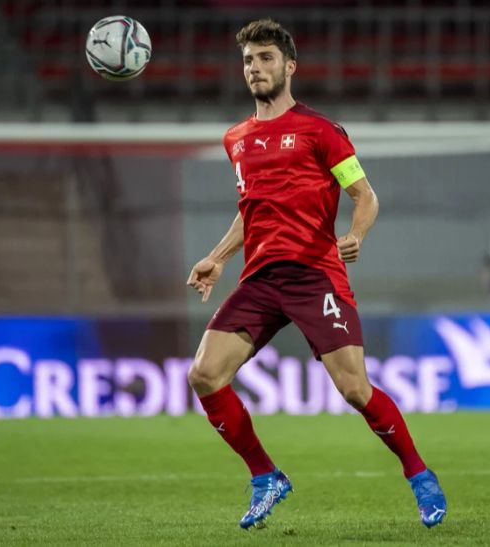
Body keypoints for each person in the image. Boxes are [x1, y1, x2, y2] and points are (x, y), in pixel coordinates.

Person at [185, 19, 446, 530]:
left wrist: (358, 235)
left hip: (315, 275)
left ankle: (419, 474)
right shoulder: (236, 139)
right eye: (247, 61)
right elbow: (251, 208)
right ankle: (266, 476)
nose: (255, 68)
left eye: (264, 58)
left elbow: (364, 195)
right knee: (204, 375)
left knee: (354, 389)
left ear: (289, 66)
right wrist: (217, 257)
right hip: (260, 281)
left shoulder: (321, 132)